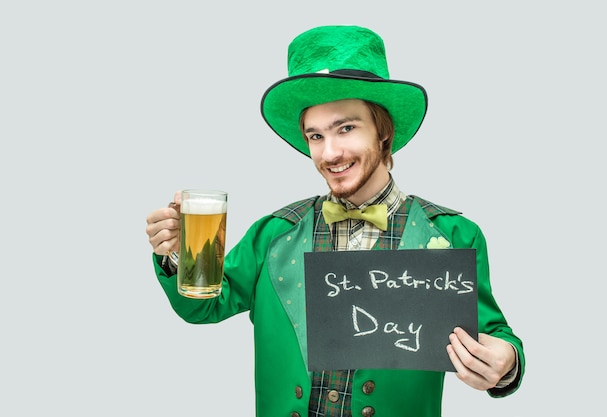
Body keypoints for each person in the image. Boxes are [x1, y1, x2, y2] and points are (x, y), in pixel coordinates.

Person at [145, 25, 525, 417]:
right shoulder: (273, 234)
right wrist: (178, 257)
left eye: (346, 128)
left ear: (383, 131)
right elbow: (203, 307)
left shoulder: (453, 235)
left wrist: (506, 363)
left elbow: (494, 336)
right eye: (315, 136)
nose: (330, 152)